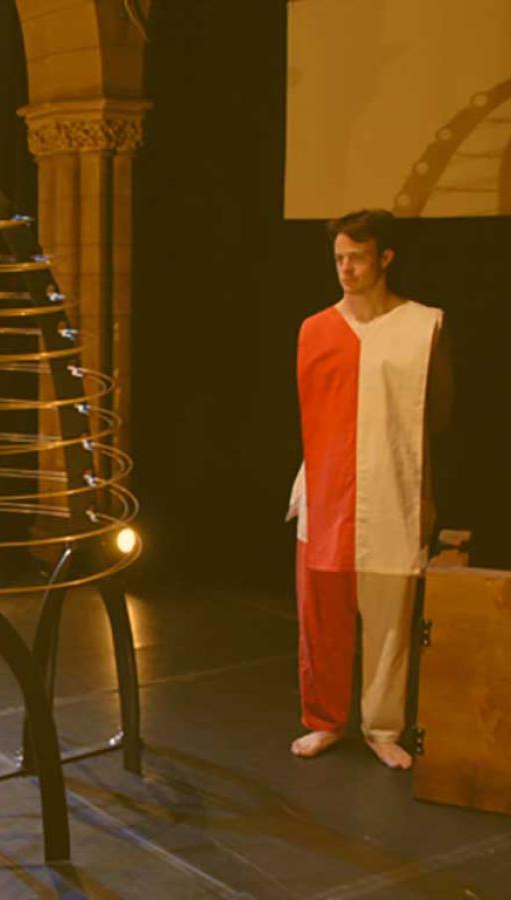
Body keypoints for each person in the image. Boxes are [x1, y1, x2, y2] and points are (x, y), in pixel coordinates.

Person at [287, 209, 451, 769]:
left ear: (385, 258)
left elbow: (438, 414)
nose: (346, 268)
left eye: (357, 257)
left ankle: (383, 727)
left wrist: (423, 489)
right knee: (322, 617)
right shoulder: (315, 329)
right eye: (339, 258)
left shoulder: (421, 325)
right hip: (326, 490)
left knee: (388, 618)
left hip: (393, 486)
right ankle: (325, 721)